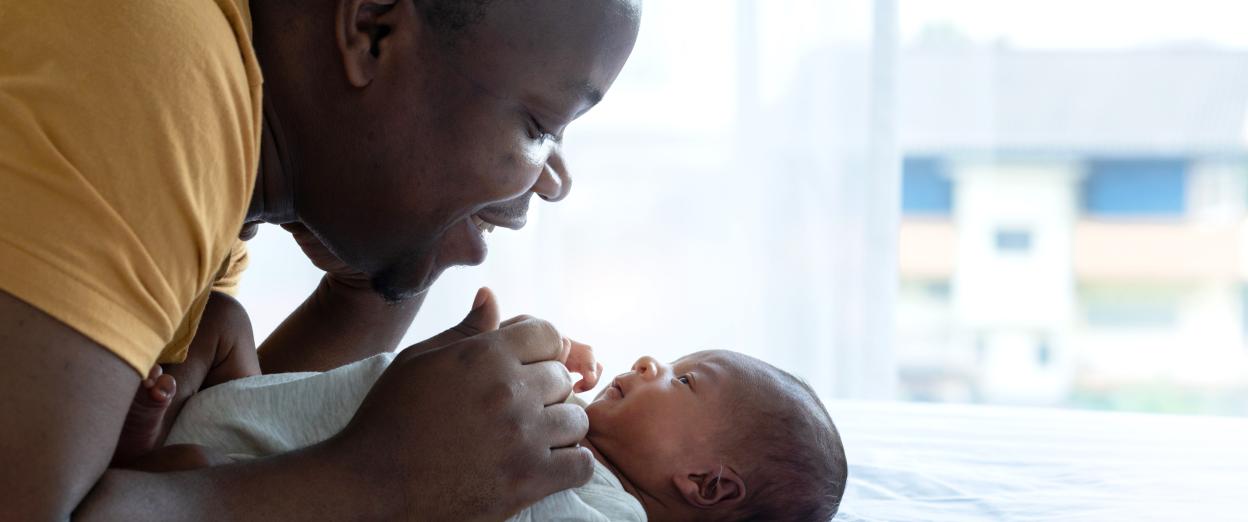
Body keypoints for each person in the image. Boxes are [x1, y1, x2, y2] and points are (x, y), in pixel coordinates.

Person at [0, 0, 641, 519]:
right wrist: (384, 478)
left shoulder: (227, 168)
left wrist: (387, 275)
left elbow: (237, 448)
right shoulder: (162, 77)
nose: (554, 179)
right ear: (372, 30)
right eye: (540, 126)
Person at [142, 289, 851, 521]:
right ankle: (152, 433)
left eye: (688, 381)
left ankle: (138, 458)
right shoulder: (563, 432)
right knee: (222, 320)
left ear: (707, 485)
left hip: (241, 472)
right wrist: (517, 360)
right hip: (247, 405)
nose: (649, 363)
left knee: (190, 465)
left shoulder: (593, 504)